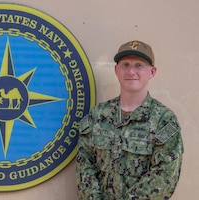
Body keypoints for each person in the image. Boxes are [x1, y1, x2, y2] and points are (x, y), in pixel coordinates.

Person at [76, 40, 184, 199]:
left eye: (139, 65)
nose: (131, 71)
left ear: (152, 72)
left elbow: (164, 177)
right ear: (116, 70)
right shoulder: (98, 115)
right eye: (125, 65)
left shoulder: (164, 120)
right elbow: (84, 165)